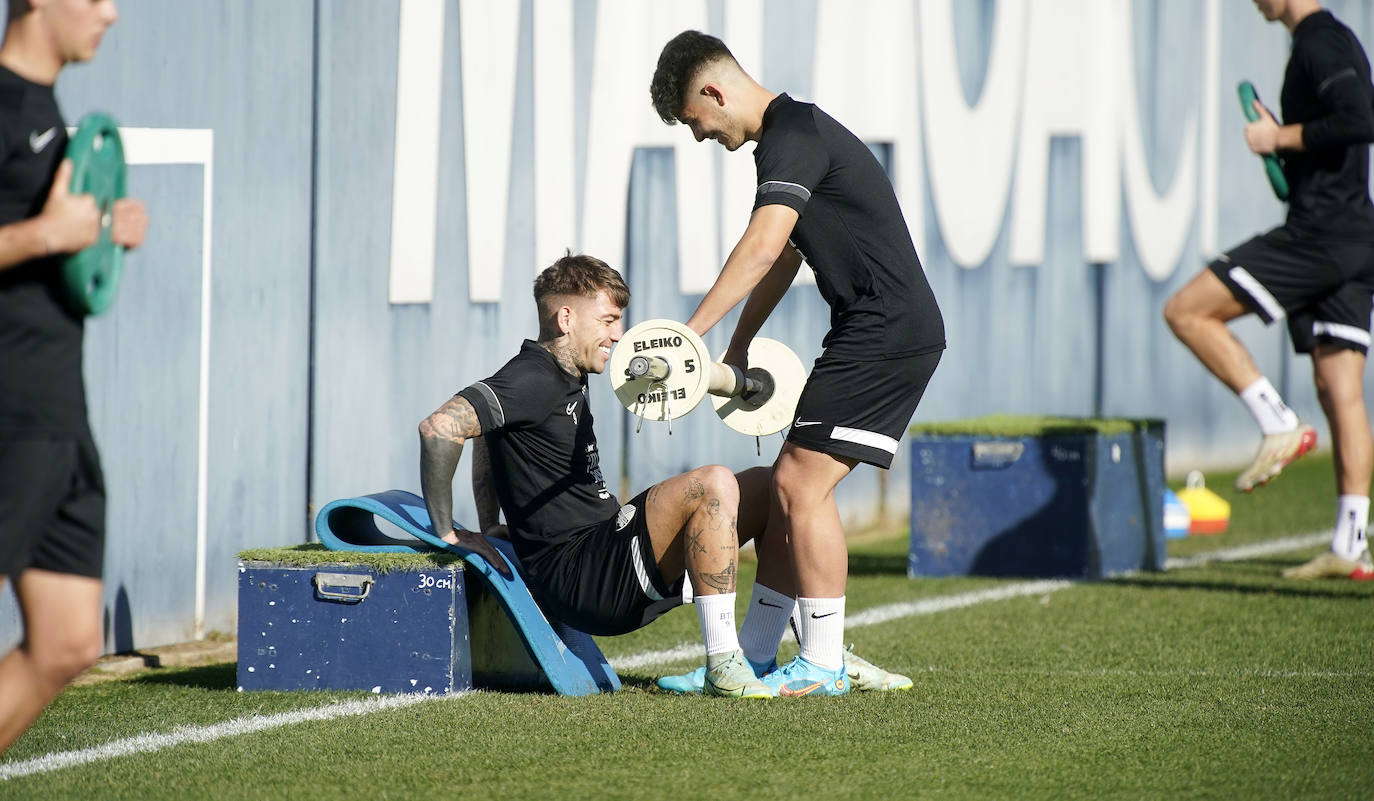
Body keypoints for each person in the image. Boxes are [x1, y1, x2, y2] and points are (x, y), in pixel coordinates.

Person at [648, 31, 945, 696]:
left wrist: (688, 336)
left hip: (885, 329)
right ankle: (757, 653)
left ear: (714, 93)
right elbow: (784, 257)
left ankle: (825, 662)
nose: (700, 138)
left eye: (695, 122)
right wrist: (736, 345)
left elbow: (761, 245)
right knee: (791, 484)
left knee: (799, 488)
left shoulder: (793, 134)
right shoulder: (791, 138)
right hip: (875, 327)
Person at [419, 253, 781, 698]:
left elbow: (487, 433)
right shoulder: (533, 376)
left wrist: (490, 521)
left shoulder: (562, 373)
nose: (618, 335)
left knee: (772, 487)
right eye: (608, 320)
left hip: (607, 552)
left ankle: (761, 656)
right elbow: (440, 429)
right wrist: (449, 532)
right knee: (714, 482)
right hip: (583, 577)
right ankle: (724, 664)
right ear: (566, 317)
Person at [1164, 0, 1374, 581]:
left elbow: (1361, 117)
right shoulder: (1327, 41)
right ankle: (1349, 544)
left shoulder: (1318, 41)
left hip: (1320, 234)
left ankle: (1277, 420)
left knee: (1186, 311)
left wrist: (1278, 134)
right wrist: (1283, 147)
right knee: (1341, 392)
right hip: (1354, 232)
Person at [0, 0, 147, 755]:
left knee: (65, 642)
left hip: (60, 415)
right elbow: (32, 236)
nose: (111, 14)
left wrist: (99, 235)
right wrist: (42, 235)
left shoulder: (50, 115)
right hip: (7, 415)